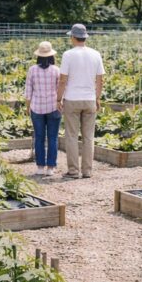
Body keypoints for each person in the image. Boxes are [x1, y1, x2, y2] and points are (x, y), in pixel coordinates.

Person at [57, 23, 105, 179]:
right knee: (88, 137)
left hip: (72, 99)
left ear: (73, 37)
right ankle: (87, 171)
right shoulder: (96, 54)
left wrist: (58, 98)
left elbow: (62, 80)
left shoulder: (68, 55)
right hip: (89, 99)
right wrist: (97, 97)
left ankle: (73, 171)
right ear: (85, 37)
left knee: (71, 136)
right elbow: (100, 80)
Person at [25, 41, 62, 176]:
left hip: (37, 107)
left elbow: (28, 90)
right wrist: (60, 102)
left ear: (38, 56)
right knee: (53, 137)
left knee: (39, 137)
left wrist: (27, 107)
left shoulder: (32, 70)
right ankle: (51, 167)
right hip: (53, 107)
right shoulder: (56, 70)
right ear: (51, 55)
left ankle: (40, 167)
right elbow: (60, 89)